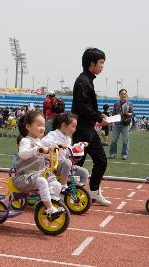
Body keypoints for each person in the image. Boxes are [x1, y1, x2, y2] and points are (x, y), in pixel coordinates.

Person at [71, 47, 111, 206]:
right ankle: (73, 193)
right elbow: (82, 106)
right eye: (101, 63)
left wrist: (99, 115)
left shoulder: (88, 80)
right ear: (92, 63)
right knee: (76, 164)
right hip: (81, 129)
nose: (102, 66)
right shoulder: (83, 81)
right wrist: (99, 117)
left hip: (88, 129)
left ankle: (94, 191)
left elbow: (88, 106)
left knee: (101, 161)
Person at [14, 111, 63, 215]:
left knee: (57, 184)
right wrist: (38, 150)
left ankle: (50, 202)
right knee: (42, 181)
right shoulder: (25, 141)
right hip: (25, 177)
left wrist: (50, 152)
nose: (42, 128)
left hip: (39, 174)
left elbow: (42, 154)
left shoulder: (39, 141)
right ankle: (49, 208)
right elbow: (22, 154)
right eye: (39, 125)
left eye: (44, 125)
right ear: (28, 126)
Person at [42, 113, 90, 190]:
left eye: (75, 127)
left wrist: (79, 145)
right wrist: (58, 144)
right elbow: (44, 142)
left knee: (84, 172)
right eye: (73, 126)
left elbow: (69, 150)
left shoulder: (68, 138)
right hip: (51, 165)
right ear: (64, 125)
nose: (74, 129)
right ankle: (63, 186)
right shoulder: (53, 134)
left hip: (62, 164)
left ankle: (78, 190)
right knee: (67, 162)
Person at [109, 89, 133, 160]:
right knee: (114, 140)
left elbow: (131, 113)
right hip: (116, 124)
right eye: (122, 94)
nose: (123, 95)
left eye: (125, 94)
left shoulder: (130, 104)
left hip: (125, 124)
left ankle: (124, 155)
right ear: (119, 95)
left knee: (125, 140)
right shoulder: (116, 104)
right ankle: (113, 154)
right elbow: (113, 113)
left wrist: (126, 113)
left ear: (126, 95)